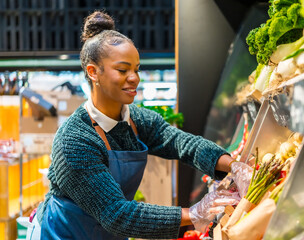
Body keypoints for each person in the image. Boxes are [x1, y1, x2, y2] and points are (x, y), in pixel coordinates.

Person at [25, 11, 251, 240]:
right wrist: (194, 212)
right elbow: (116, 214)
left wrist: (235, 166)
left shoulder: (137, 120)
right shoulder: (75, 140)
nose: (134, 78)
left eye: (136, 69)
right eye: (123, 70)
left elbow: (182, 143)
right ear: (93, 72)